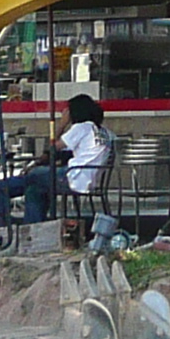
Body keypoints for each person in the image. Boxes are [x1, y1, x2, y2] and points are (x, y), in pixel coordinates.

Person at [58, 94, 116, 249]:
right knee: (34, 189)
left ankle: (34, 227)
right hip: (92, 180)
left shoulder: (82, 127)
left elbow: (53, 146)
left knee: (32, 177)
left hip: (74, 178)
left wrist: (61, 125)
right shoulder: (105, 132)